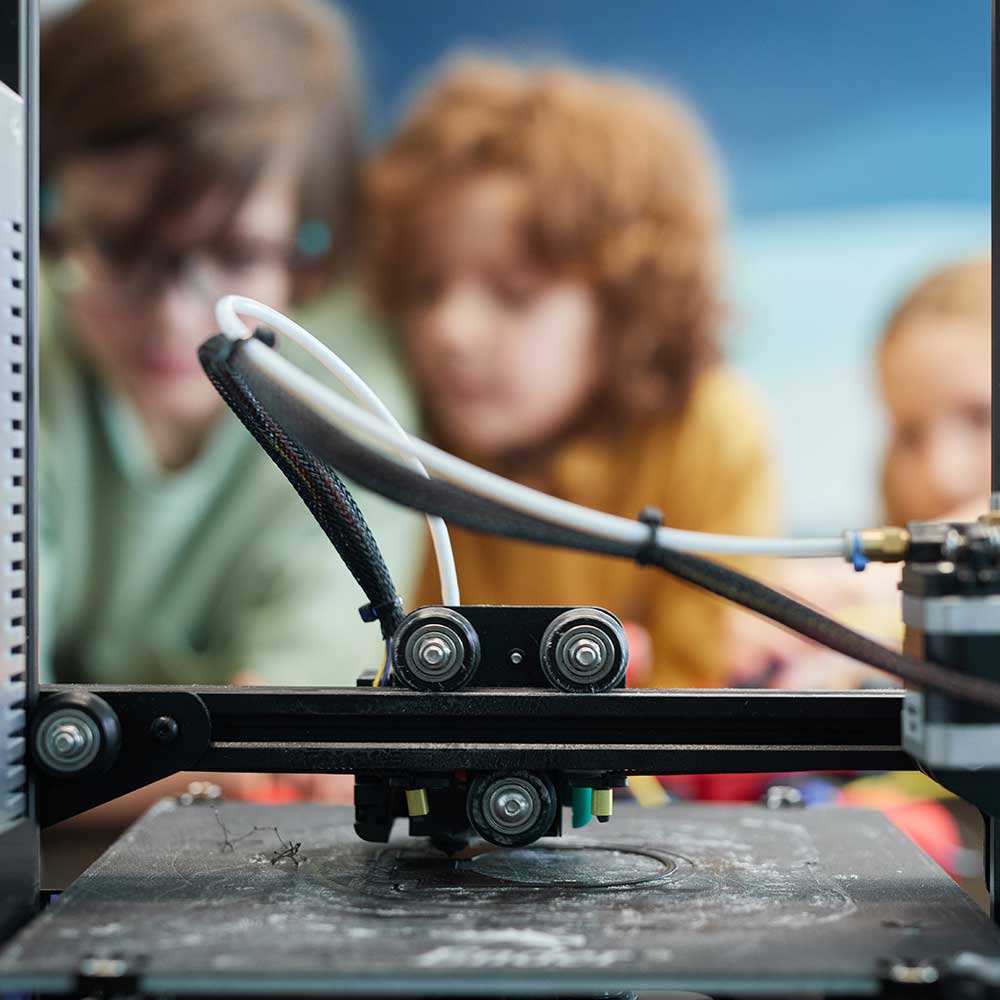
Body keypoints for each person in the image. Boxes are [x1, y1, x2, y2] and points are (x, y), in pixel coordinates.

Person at [37, 0, 422, 821]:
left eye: (238, 254)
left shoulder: (345, 406)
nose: (178, 317)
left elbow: (287, 754)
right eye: (120, 246)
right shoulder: (24, 359)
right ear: (50, 215)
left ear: (310, 247)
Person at [363, 59, 778, 688]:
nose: (449, 331)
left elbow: (699, 685)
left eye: (514, 295)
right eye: (424, 288)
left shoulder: (709, 433)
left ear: (627, 304)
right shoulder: (387, 420)